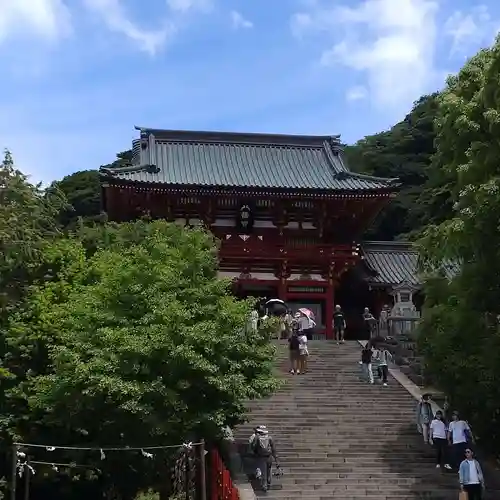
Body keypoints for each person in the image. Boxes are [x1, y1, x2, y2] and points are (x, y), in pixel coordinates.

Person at [249, 425, 279, 492]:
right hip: (269, 457)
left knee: (263, 472)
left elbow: (253, 447)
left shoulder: (257, 438)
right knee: (269, 470)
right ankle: (269, 483)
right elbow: (273, 449)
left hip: (261, 457)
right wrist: (277, 460)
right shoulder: (269, 438)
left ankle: (264, 486)